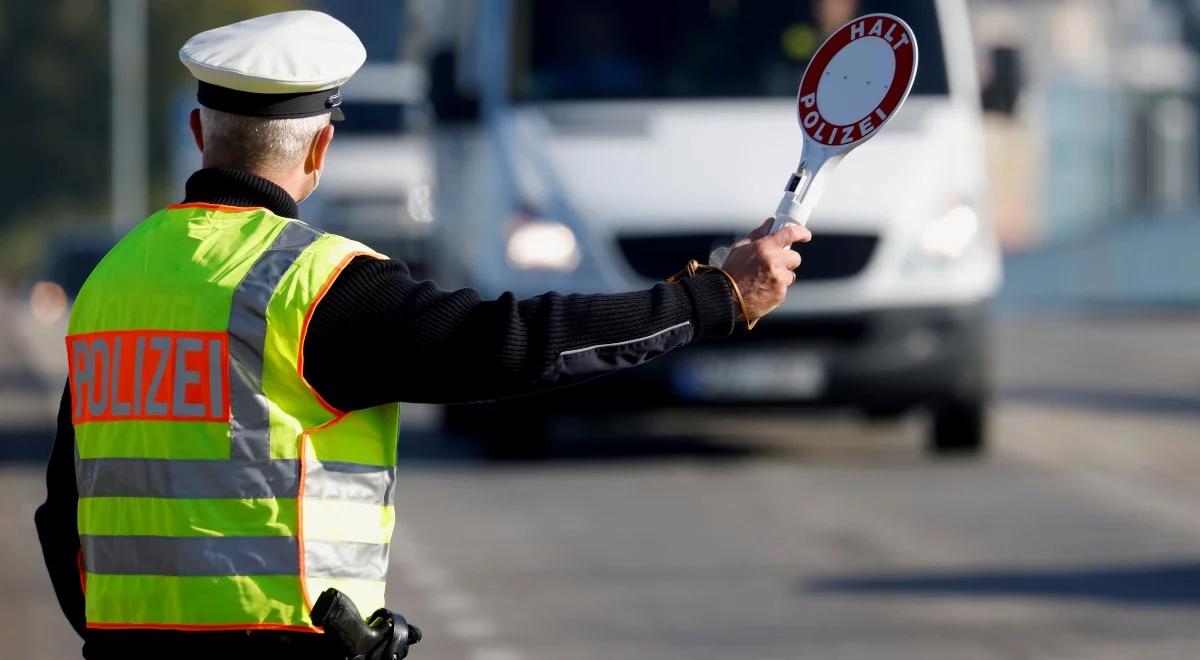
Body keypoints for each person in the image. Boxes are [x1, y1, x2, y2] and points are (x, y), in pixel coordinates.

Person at [34, 10, 810, 660]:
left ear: (202, 130)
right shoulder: (314, 285)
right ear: (320, 146)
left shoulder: (111, 282)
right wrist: (715, 297)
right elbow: (518, 344)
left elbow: (62, 505)